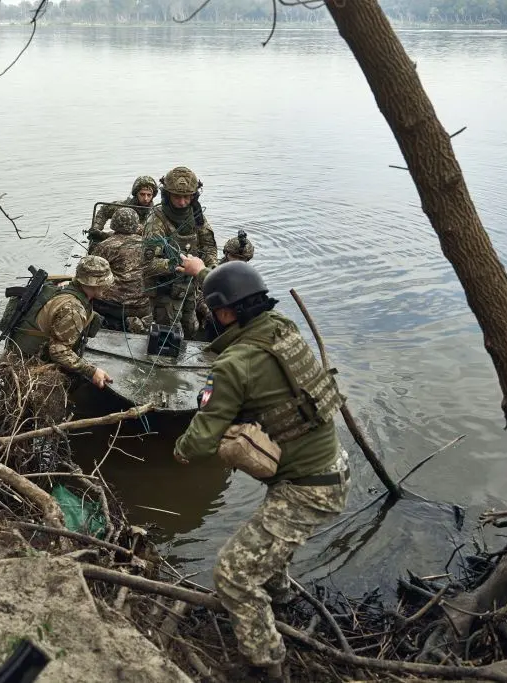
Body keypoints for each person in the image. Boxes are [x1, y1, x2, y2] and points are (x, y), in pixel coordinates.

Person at [172, 261, 351, 682]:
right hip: (331, 466)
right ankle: (280, 594)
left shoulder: (235, 364)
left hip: (306, 488)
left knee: (231, 575)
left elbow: (200, 440)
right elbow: (235, 288)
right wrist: (204, 273)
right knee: (270, 541)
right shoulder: (282, 328)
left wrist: (180, 450)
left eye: (215, 311)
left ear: (227, 314)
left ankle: (265, 664)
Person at [2, 255, 115, 389]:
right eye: (105, 283)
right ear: (94, 284)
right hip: (30, 367)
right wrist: (92, 371)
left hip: (17, 355)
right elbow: (58, 351)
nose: (107, 287)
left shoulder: (65, 285)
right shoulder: (74, 309)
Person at [142, 166, 218, 338]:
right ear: (167, 195)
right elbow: (147, 264)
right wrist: (178, 263)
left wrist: (211, 267)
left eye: (187, 197)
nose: (183, 202)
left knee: (191, 329)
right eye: (177, 196)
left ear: (194, 195)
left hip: (190, 287)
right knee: (170, 335)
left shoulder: (196, 214)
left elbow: (209, 246)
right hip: (165, 291)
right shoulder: (156, 220)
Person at [91, 207, 152, 333]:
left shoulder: (105, 246)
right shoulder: (148, 244)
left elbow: (91, 272)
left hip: (113, 307)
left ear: (114, 223)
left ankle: (111, 323)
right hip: (144, 306)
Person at [87, 175, 157, 252]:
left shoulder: (156, 213)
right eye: (142, 194)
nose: (146, 199)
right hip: (117, 241)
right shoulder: (123, 207)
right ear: (136, 194)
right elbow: (104, 210)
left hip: (140, 246)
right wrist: (97, 228)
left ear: (152, 196)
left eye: (149, 195)